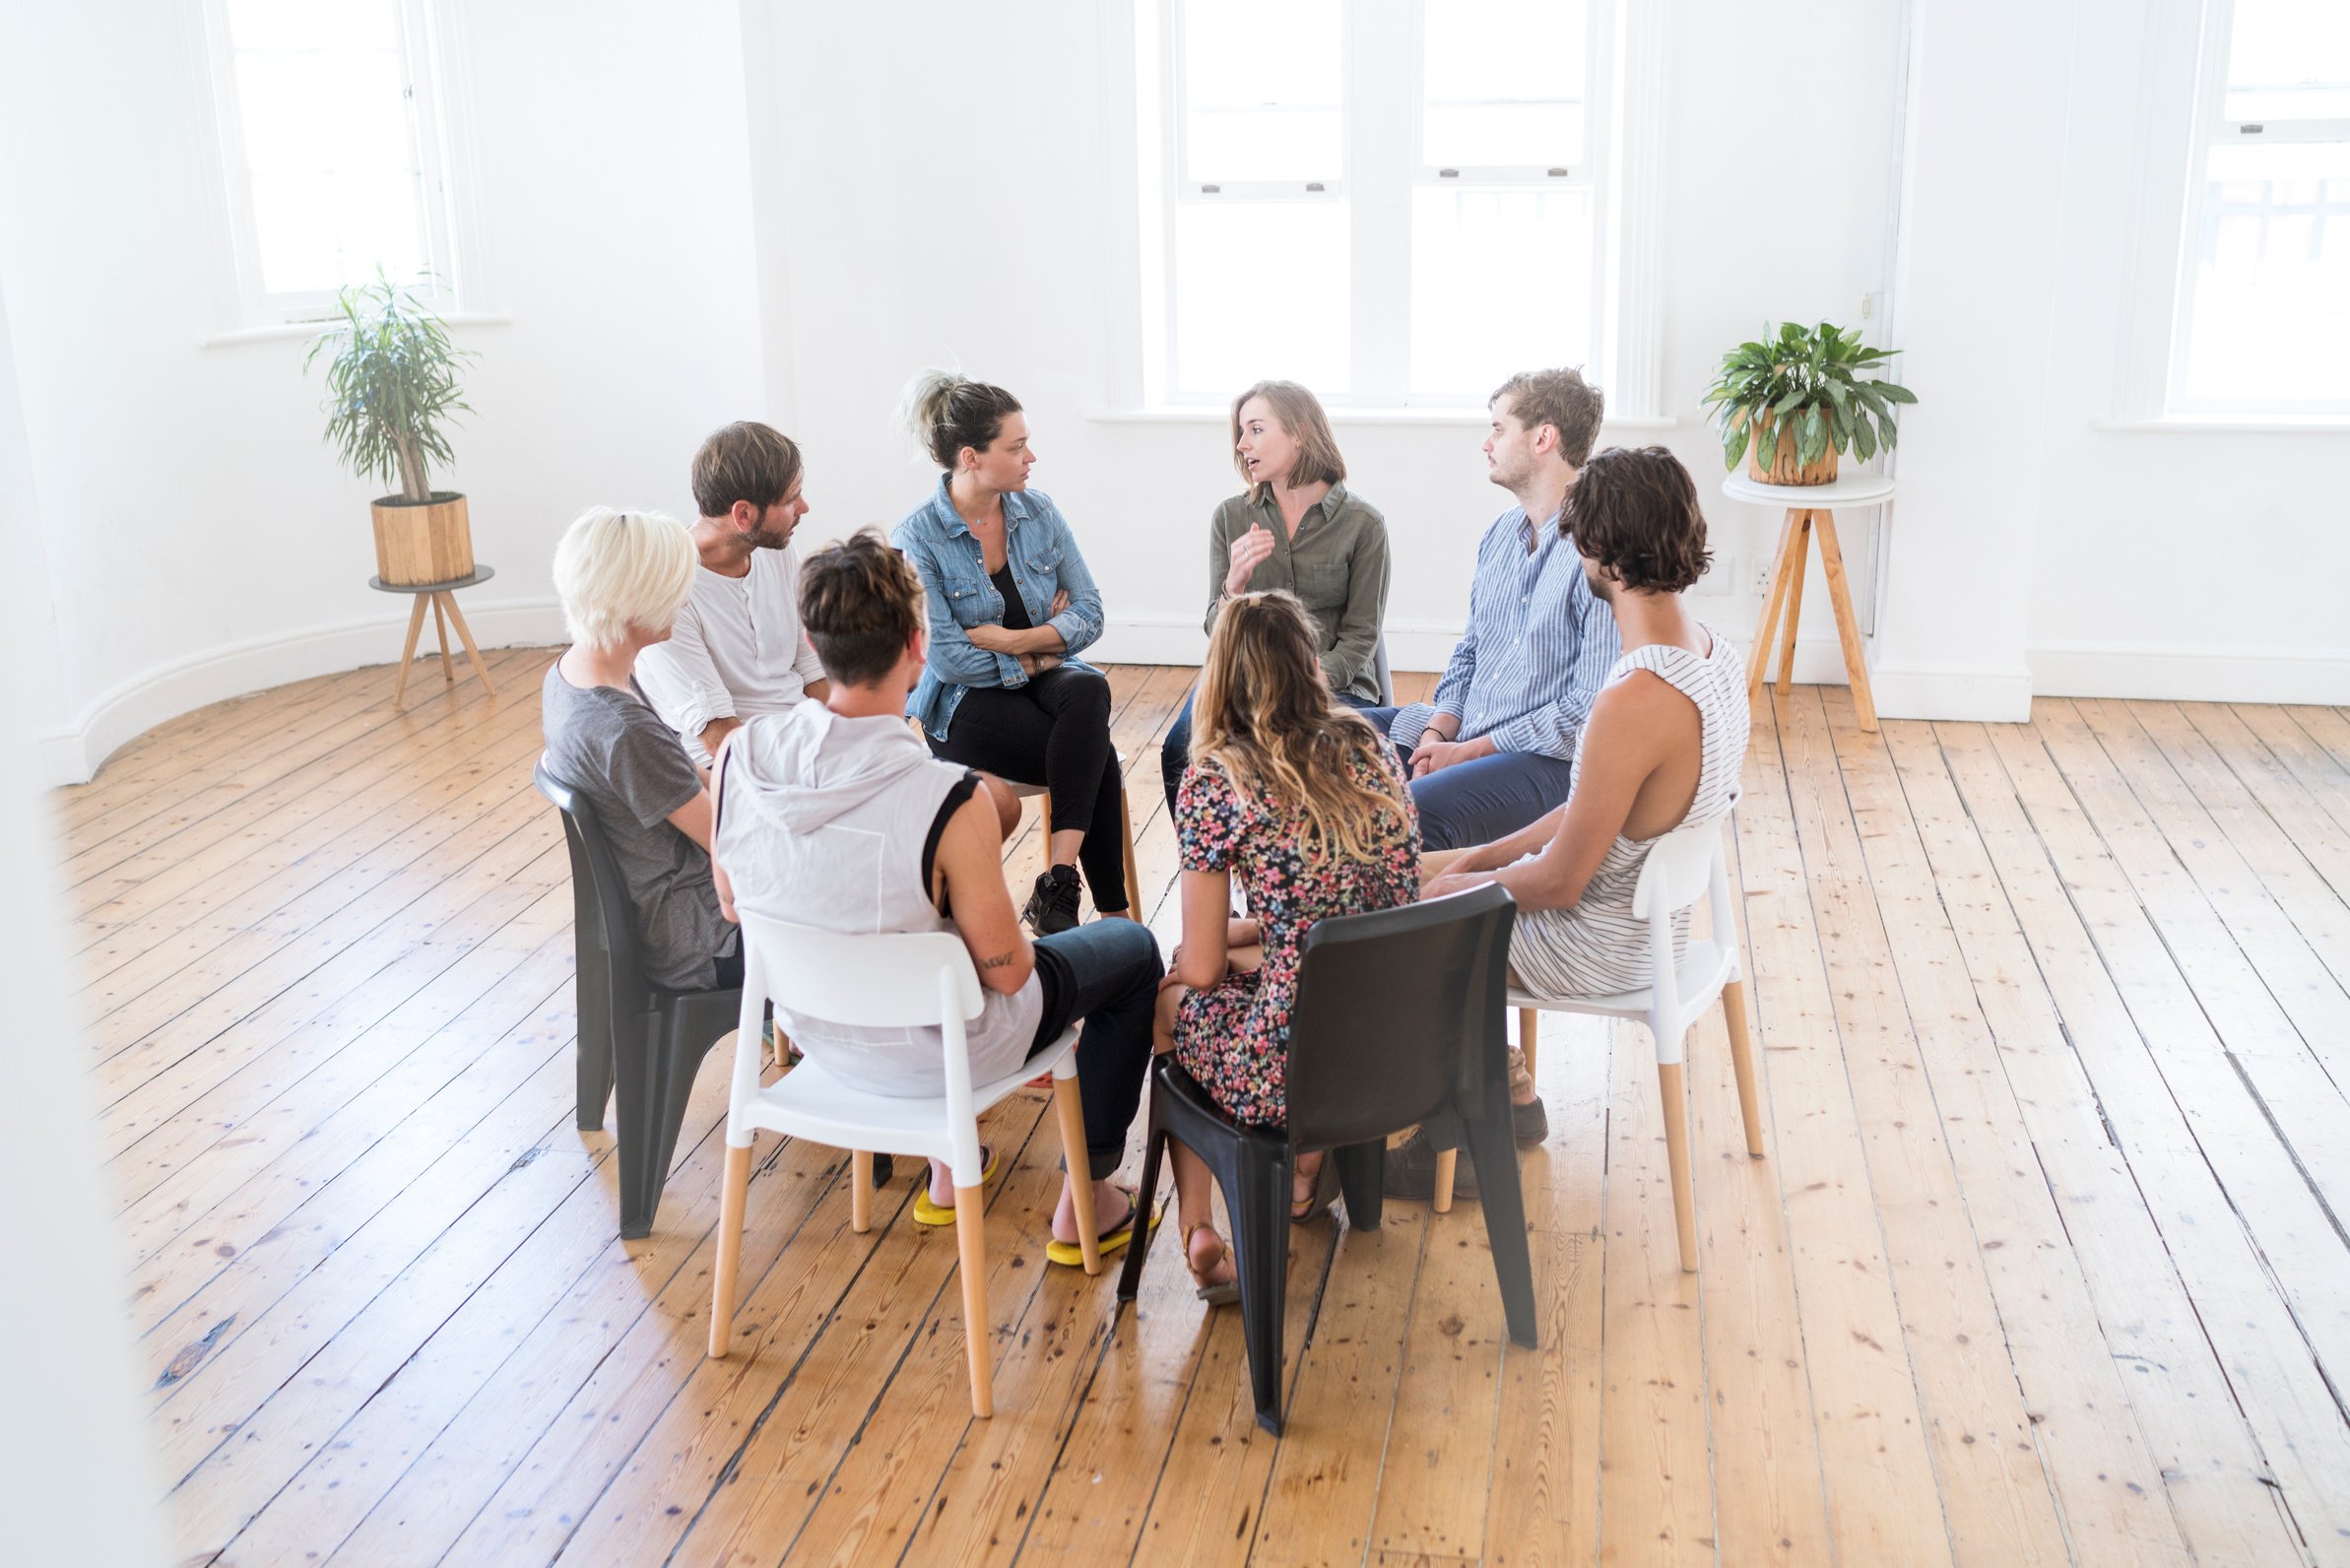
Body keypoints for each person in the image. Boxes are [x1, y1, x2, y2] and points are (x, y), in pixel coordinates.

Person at [711, 530, 1164, 1263]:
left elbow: (735, 903)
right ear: (918, 647)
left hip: (817, 1040)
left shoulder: (739, 756)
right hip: (936, 1057)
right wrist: (983, 832)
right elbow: (1010, 976)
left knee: (915, 924)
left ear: (812, 641)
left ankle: (953, 1171)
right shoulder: (944, 799)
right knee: (1135, 953)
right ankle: (1092, 1200)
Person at [1400, 445, 1746, 1198]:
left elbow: (1558, 884)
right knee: (1408, 873)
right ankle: (1511, 1098)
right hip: (1651, 920)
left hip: (1599, 943)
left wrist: (1460, 883)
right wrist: (1482, 855)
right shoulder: (1715, 655)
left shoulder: (1634, 698)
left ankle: (1447, 1138)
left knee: (1409, 916)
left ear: (1600, 550)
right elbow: (1589, 804)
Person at [1152, 591, 1421, 1303]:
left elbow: (1203, 967)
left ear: (1223, 679)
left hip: (1292, 1071)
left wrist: (1214, 948)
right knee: (1266, 978)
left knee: (1174, 995)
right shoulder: (1369, 745)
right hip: (1403, 1041)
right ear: (1311, 664)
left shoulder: (1218, 780)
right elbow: (1351, 905)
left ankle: (1198, 1229)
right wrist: (1252, 935)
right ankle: (1303, 1177)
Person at [634, 420, 1021, 836]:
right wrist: (832, 768)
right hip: (752, 772)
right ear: (744, 514)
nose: (804, 508)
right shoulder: (668, 589)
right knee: (961, 817)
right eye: (791, 499)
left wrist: (864, 745)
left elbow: (812, 668)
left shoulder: (772, 549)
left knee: (996, 802)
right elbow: (721, 739)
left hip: (811, 740)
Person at [894, 371, 1130, 935]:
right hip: (960, 706)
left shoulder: (1037, 511)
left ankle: (1058, 884)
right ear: (971, 457)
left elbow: (1092, 611)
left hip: (1041, 685)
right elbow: (950, 661)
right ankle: (1112, 913)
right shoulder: (918, 536)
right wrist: (1047, 642)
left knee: (1089, 687)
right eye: (1016, 446)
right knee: (1096, 758)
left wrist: (1013, 642)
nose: (1031, 457)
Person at [1360, 367, 1621, 854]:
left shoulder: (1601, 550)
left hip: (1545, 762)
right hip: (1468, 732)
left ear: (1544, 437)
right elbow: (1470, 651)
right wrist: (1438, 732)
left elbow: (1586, 710)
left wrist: (1467, 751)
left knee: (1408, 813)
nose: (1487, 443)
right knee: (1308, 741)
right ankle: (1278, 920)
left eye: (1499, 429)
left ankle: (1397, 927)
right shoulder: (1501, 534)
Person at [1157, 380, 1391, 816]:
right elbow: (1215, 625)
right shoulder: (1231, 516)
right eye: (1241, 432)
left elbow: (1362, 636)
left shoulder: (1363, 523)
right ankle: (1206, 875)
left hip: (1329, 683)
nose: (1243, 444)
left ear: (1299, 432)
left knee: (1309, 755)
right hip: (1243, 679)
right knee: (1179, 750)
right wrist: (1235, 585)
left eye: (1256, 429)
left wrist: (1305, 681)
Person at [540, 506, 739, 991]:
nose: (684, 599)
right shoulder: (620, 729)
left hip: (685, 913)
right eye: (674, 589)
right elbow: (729, 842)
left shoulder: (575, 673)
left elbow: (689, 774)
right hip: (707, 937)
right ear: (634, 602)